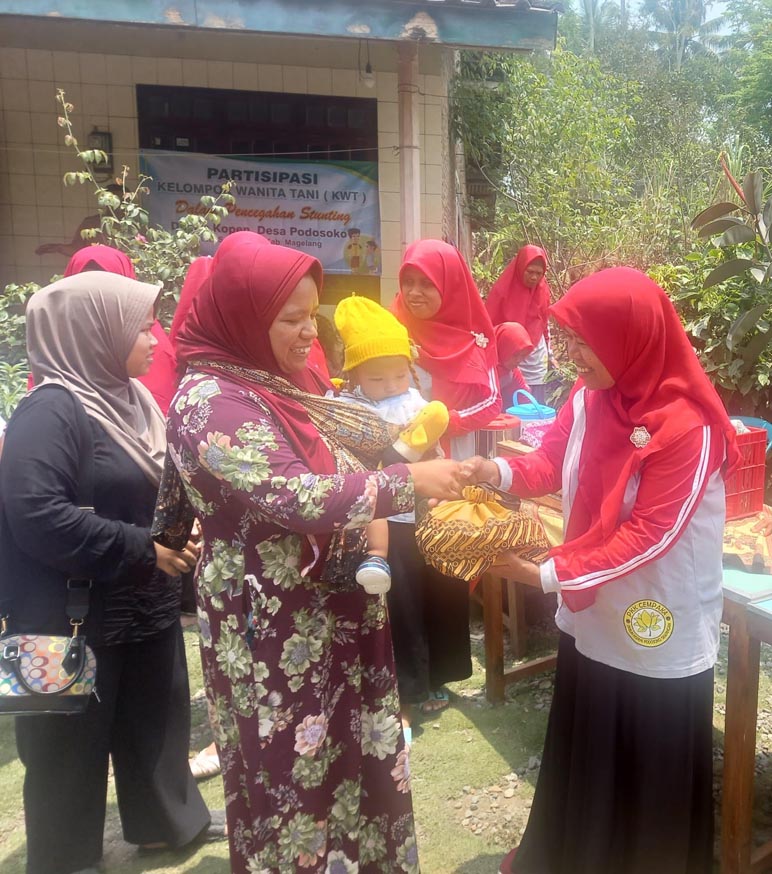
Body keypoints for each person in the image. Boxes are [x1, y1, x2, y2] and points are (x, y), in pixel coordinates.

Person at [167, 237, 466, 873]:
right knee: (288, 767)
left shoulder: (282, 377)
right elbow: (293, 493)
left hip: (336, 600)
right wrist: (406, 482)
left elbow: (347, 442)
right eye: (292, 319)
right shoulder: (209, 400)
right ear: (244, 317)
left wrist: (407, 445)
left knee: (351, 754)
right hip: (272, 620)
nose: (311, 334)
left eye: (313, 315)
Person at [467, 267, 741, 874]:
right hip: (594, 602)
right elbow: (547, 462)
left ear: (630, 337)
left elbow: (653, 537)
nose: (571, 355)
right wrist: (497, 475)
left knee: (646, 747)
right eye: (567, 339)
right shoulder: (588, 397)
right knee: (592, 734)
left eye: (583, 341)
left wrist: (543, 573)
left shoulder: (688, 427)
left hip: (656, 610)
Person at [0, 271, 221, 874]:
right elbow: (35, 515)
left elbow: (151, 489)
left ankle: (163, 826)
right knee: (63, 749)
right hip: (64, 614)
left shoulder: (135, 401)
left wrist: (179, 528)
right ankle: (65, 856)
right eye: (140, 325)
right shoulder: (49, 412)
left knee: (156, 719)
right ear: (91, 332)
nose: (154, 337)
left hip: (140, 601)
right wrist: (145, 546)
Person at [333, 297, 451, 731]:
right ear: (355, 375)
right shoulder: (349, 410)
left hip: (420, 515)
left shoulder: (414, 401)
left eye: (400, 374)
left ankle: (432, 677)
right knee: (394, 606)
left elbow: (435, 450)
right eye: (377, 377)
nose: (391, 384)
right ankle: (401, 689)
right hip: (380, 521)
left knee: (429, 597)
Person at [392, 239, 502, 461]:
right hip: (394, 452)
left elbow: (492, 401)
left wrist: (445, 422)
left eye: (426, 283)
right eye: (408, 282)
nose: (414, 292)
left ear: (450, 284)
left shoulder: (472, 340)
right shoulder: (389, 329)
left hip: (453, 453)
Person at [62, 245, 179, 414]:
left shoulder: (151, 346)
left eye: (107, 284)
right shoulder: (55, 349)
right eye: (84, 284)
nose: (97, 296)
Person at [486, 245, 552, 403]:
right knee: (510, 400)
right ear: (521, 267)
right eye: (530, 272)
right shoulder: (502, 291)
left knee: (534, 400)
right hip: (509, 358)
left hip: (535, 355)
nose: (534, 278)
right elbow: (488, 325)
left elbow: (544, 322)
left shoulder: (543, 291)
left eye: (539, 274)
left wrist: (550, 352)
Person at [495, 321, 534, 408]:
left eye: (523, 355)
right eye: (515, 355)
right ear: (502, 348)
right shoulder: (482, 368)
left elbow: (525, 396)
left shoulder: (511, 371)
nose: (519, 360)